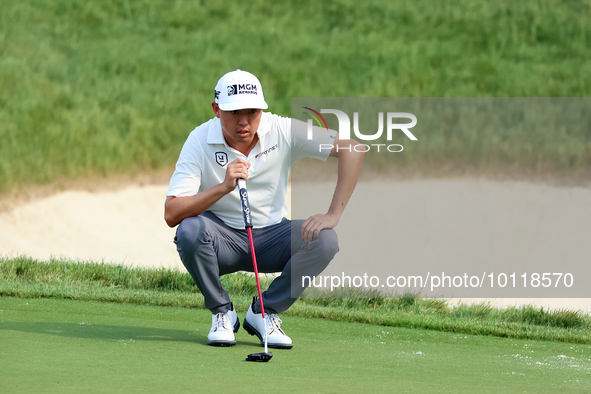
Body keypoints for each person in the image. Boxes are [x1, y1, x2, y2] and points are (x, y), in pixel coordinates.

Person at [164, 69, 364, 349]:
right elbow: (172, 213)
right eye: (234, 113)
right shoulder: (199, 140)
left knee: (326, 239)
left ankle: (264, 312)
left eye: (252, 112)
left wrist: (333, 214)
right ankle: (222, 312)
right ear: (217, 109)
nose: (244, 122)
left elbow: (353, 149)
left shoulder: (281, 129)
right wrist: (223, 187)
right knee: (189, 230)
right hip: (221, 240)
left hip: (272, 238)